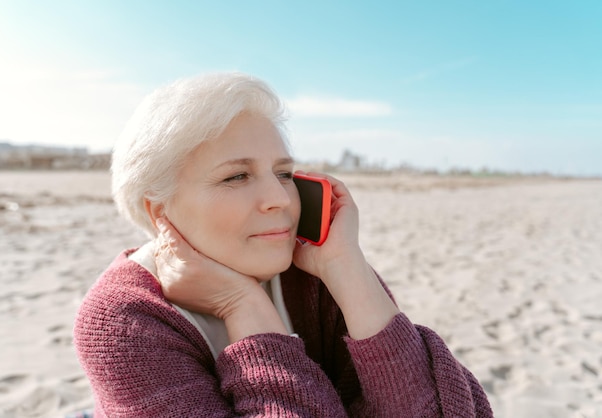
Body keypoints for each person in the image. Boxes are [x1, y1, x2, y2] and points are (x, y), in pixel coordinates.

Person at [74, 72, 493, 417]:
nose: (278, 197)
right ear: (158, 212)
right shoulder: (123, 322)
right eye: (236, 176)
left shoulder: (321, 277)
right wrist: (242, 307)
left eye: (284, 173)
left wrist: (347, 266)